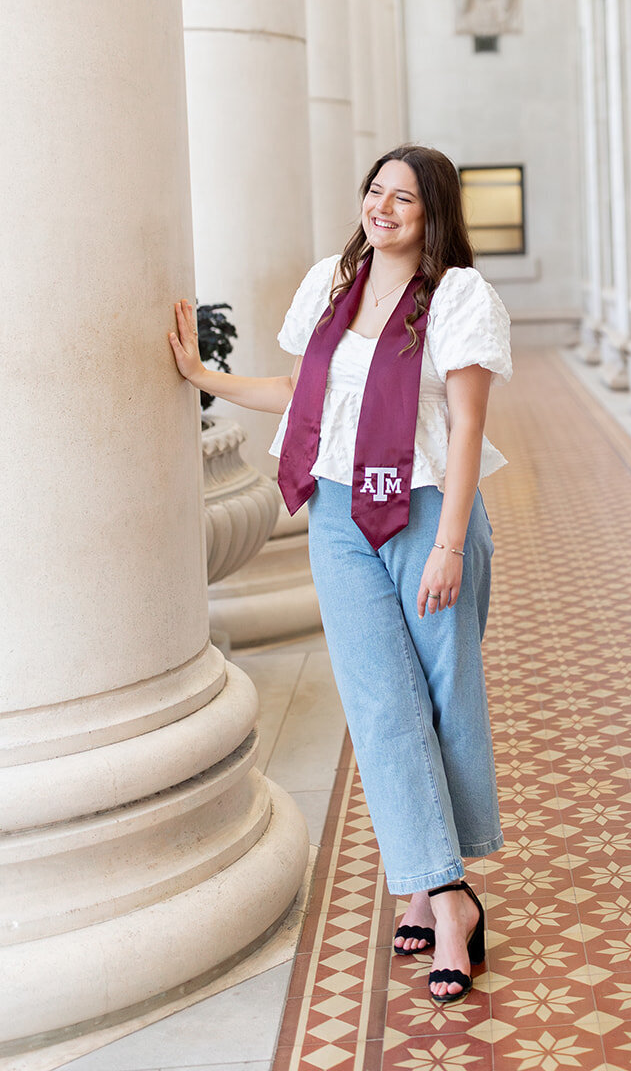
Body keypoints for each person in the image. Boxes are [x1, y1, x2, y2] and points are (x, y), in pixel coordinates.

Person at [169, 144, 512, 1004]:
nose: (382, 207)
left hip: (428, 510)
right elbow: (304, 390)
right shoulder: (333, 282)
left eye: (404, 198)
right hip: (337, 512)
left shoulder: (458, 297)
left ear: (433, 215)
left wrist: (448, 544)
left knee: (442, 694)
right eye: (374, 191)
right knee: (376, 700)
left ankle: (439, 888)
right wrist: (204, 377)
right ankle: (444, 893)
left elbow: (467, 424)